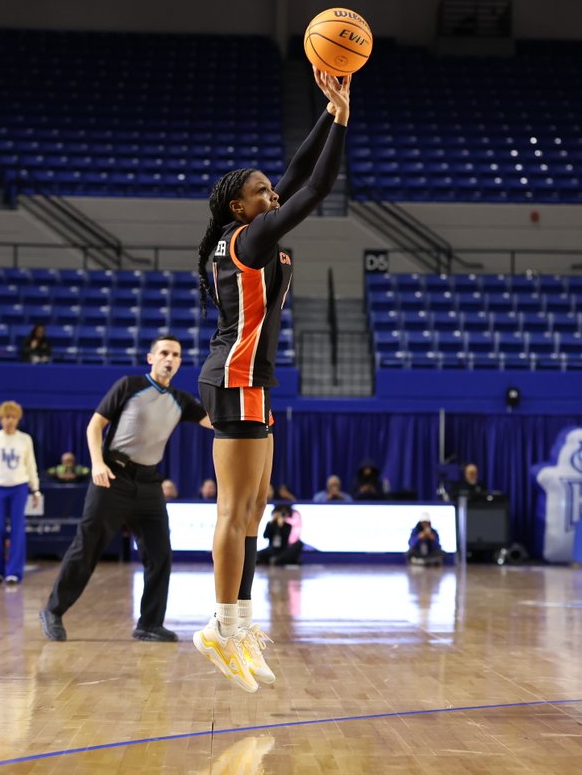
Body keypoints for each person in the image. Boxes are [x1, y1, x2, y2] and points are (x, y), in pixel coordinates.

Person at [193, 68, 350, 693]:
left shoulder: (252, 226)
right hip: (231, 379)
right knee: (234, 512)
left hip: (250, 382)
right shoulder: (251, 238)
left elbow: (294, 169)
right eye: (262, 192)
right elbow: (316, 186)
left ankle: (244, 622)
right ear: (241, 206)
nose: (273, 195)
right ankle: (220, 627)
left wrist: (331, 105)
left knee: (256, 511)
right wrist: (343, 123)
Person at [39, 335, 211, 644]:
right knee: (87, 547)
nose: (169, 358)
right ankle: (53, 610)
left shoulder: (181, 400)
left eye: (175, 354)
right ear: (151, 358)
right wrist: (96, 464)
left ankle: (149, 624)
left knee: (160, 555)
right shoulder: (129, 386)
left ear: (180, 362)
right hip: (112, 479)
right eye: (163, 353)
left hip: (149, 485)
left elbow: (214, 422)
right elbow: (94, 426)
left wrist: (251, 416)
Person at [0, 401, 41, 584]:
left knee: (17, 529)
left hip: (19, 487)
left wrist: (35, 489)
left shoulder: (25, 439)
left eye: (13, 417)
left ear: (18, 419)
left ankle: (14, 571)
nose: (10, 421)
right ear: (0, 419)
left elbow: (31, 465)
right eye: (6, 417)